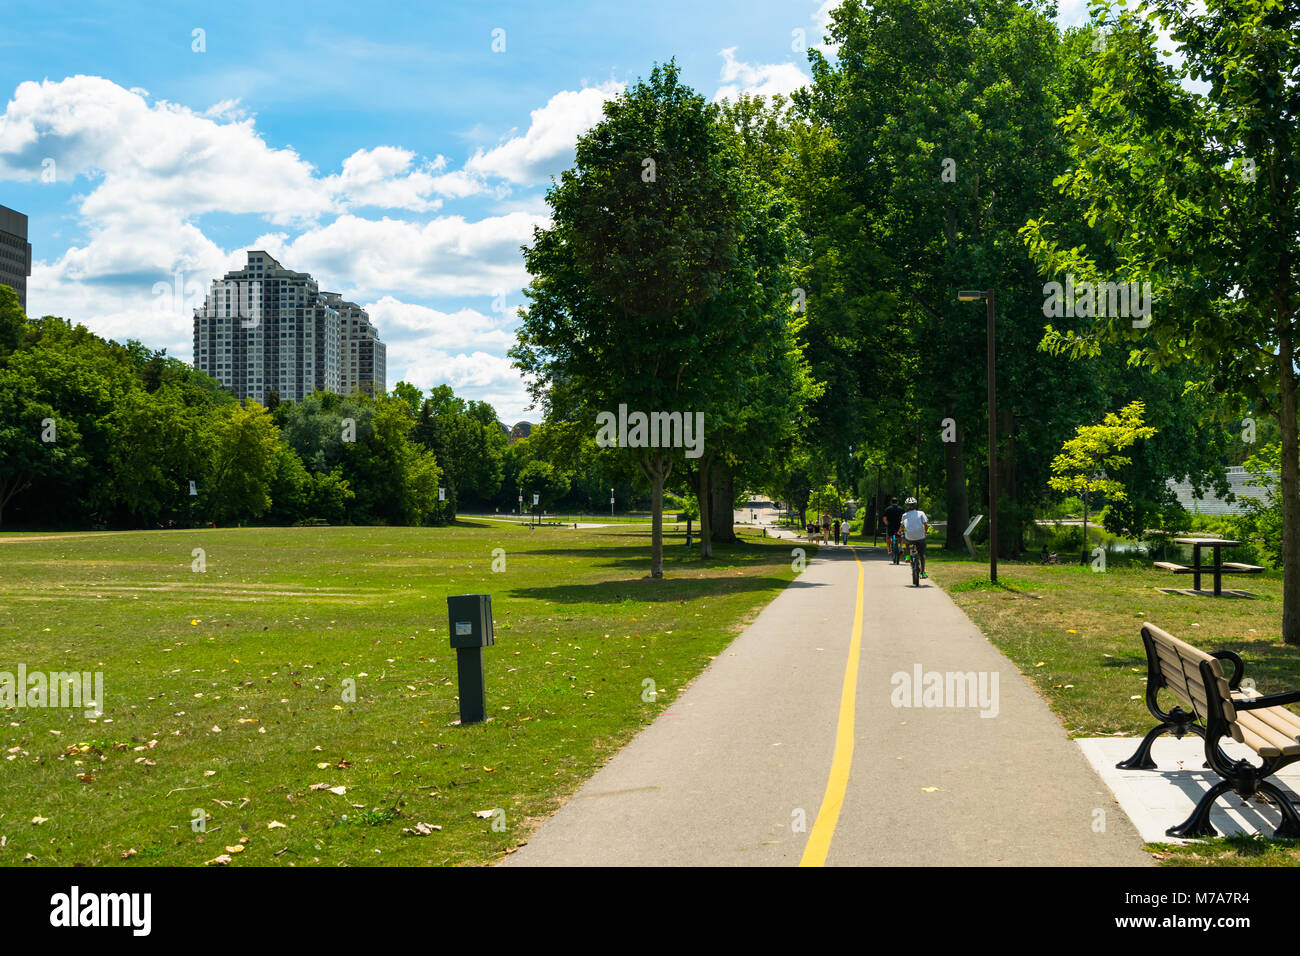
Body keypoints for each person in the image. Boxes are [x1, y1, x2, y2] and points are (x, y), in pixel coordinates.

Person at [901, 496, 930, 578]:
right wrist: (925, 532)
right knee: (922, 555)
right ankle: (923, 572)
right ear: (915, 505)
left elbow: (902, 526)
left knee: (905, 538)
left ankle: (907, 556)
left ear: (907, 506)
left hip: (909, 537)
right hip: (920, 537)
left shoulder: (904, 515)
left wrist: (900, 531)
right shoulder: (921, 513)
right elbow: (926, 525)